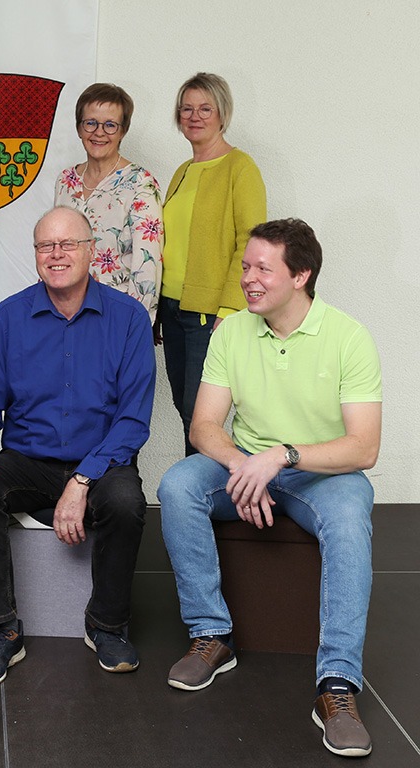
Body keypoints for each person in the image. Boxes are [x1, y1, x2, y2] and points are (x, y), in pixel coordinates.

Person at [158, 219, 381, 758]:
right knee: (177, 484)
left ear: (301, 275)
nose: (248, 280)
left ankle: (337, 685)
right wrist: (244, 467)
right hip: (248, 462)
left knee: (352, 515)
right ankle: (212, 634)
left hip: (320, 474)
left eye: (263, 269)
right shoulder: (231, 331)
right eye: (245, 267)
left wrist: (280, 458)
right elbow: (204, 424)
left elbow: (364, 448)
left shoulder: (348, 336)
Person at [0, 206, 155, 686]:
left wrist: (82, 480)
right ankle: (1, 629)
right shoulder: (8, 318)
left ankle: (106, 624)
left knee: (126, 501)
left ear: (92, 252)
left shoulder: (128, 320)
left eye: (68, 244)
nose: (57, 254)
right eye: (46, 245)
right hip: (30, 460)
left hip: (103, 461)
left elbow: (132, 419)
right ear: (37, 254)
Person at [156, 73, 267, 455]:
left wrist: (229, 308)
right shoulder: (181, 172)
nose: (194, 116)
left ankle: (209, 502)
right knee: (185, 413)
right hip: (171, 310)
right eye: (186, 108)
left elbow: (251, 243)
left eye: (205, 108)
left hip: (210, 314)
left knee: (200, 416)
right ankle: (208, 497)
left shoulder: (240, 167)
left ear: (223, 114)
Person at [54, 82, 162, 324]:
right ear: (79, 128)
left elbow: (147, 266)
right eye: (90, 123)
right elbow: (54, 248)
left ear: (123, 131)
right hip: (63, 313)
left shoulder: (141, 184)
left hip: (114, 316)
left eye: (110, 125)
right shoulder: (65, 180)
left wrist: (136, 327)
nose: (99, 132)